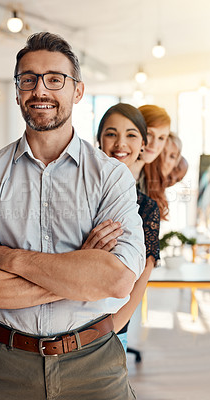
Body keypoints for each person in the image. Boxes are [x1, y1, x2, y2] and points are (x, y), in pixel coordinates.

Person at [0, 32, 145, 400]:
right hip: (3, 366)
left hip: (94, 364)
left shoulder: (110, 176)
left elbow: (116, 281)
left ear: (77, 91)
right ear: (18, 90)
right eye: (28, 79)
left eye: (55, 79)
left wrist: (4, 257)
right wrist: (79, 273)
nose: (40, 90)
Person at [96, 103, 160, 351]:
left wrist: (109, 331)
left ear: (143, 144)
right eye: (111, 134)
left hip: (111, 330)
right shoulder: (79, 196)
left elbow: (141, 277)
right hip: (64, 325)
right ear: (99, 141)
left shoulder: (146, 208)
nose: (121, 143)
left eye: (131, 135)